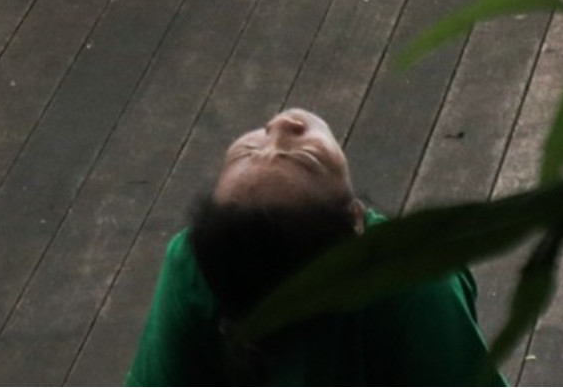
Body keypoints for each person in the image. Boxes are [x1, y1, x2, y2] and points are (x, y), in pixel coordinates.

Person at [125, 108, 498, 386]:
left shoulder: (192, 263)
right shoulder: (414, 274)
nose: (279, 128)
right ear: (355, 221)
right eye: (307, 159)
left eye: (248, 151)